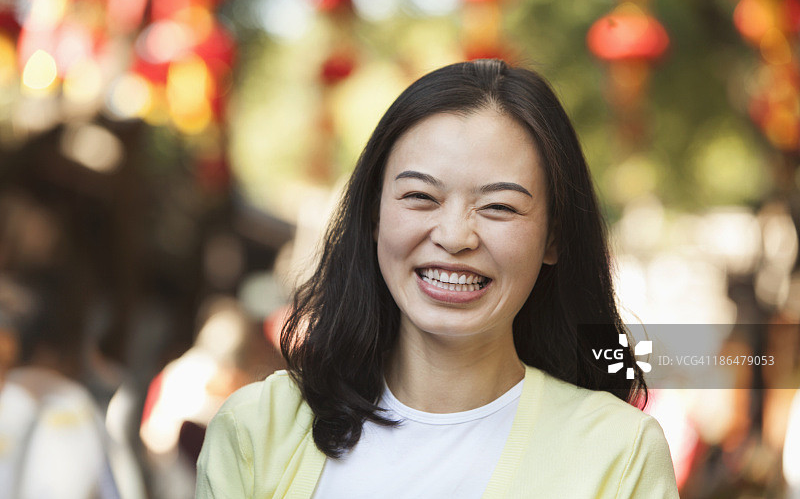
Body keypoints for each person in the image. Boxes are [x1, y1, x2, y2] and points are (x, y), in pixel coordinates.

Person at [196, 59, 679, 498]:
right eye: (421, 197)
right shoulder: (256, 429)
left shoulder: (619, 454)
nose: (454, 237)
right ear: (372, 215)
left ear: (554, 238)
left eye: (499, 207)